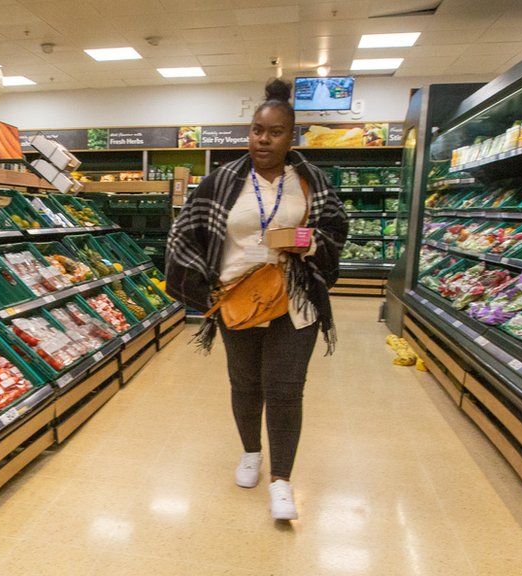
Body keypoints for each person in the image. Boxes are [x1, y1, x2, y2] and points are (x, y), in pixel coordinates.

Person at [165, 78, 348, 520]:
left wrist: (304, 240)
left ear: (292, 136)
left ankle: (281, 481)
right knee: (245, 384)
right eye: (256, 130)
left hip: (294, 299)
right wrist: (203, 286)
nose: (263, 139)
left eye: (275, 132)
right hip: (238, 298)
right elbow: (182, 235)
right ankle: (251, 451)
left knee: (285, 390)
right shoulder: (222, 180)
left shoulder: (309, 180)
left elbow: (336, 228)